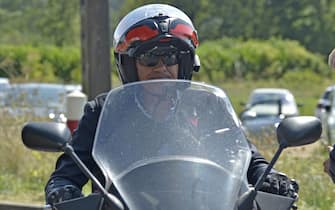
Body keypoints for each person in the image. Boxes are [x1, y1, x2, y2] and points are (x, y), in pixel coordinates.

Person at [45, 3, 298, 207]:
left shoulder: (208, 106)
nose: (162, 67)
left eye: (171, 57)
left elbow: (246, 156)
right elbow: (68, 173)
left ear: (186, 63)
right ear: (129, 66)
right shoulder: (103, 112)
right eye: (149, 58)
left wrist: (270, 177)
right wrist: (62, 190)